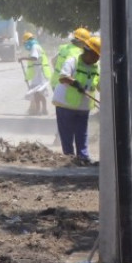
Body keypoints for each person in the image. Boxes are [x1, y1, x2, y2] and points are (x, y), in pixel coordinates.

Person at [53, 35, 101, 165]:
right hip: (65, 104)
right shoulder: (73, 61)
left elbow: (101, 86)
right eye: (95, 55)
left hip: (83, 107)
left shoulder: (97, 67)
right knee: (67, 134)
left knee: (82, 133)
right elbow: (63, 77)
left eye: (99, 56)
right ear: (87, 51)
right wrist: (76, 83)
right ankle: (69, 158)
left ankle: (83, 157)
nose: (97, 58)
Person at [20, 32, 52, 115]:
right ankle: (43, 109)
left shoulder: (34, 47)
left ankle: (38, 110)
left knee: (37, 92)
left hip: (39, 74)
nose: (25, 44)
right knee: (39, 92)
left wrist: (22, 58)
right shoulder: (37, 46)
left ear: (27, 41)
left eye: (25, 42)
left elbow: (34, 58)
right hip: (39, 73)